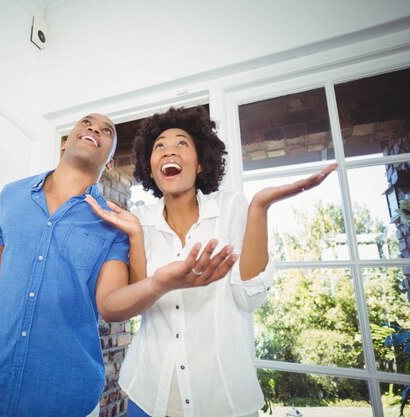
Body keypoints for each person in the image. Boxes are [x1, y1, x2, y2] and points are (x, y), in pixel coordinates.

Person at [0, 113, 238, 417]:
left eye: (107, 131)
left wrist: (160, 281)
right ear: (64, 143)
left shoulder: (114, 223)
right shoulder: (12, 195)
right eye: (86, 122)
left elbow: (111, 304)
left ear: (110, 164)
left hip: (68, 397)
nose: (94, 129)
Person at [85, 106, 337, 417]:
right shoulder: (140, 221)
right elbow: (134, 305)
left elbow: (249, 298)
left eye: (181, 143)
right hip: (147, 396)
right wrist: (144, 250)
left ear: (201, 164)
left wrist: (259, 207)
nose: (168, 151)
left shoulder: (231, 207)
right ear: (150, 169)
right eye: (159, 146)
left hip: (223, 400)